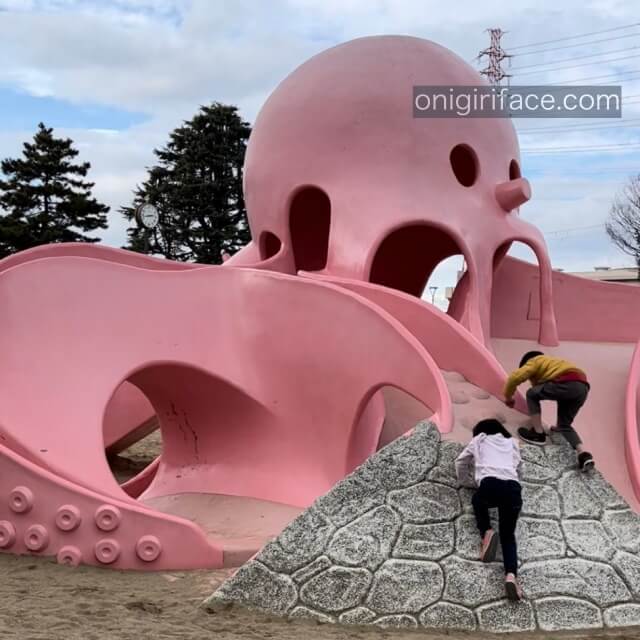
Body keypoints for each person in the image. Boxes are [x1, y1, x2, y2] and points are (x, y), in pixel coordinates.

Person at [455, 419, 524, 601]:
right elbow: (519, 468)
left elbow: (461, 462)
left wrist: (467, 482)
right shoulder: (513, 443)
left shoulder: (480, 439)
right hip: (513, 489)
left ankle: (486, 532)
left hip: (490, 484)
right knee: (508, 536)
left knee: (478, 500)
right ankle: (511, 576)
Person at [503, 350, 594, 471]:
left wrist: (508, 397)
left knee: (531, 394)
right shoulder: (554, 364)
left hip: (566, 383)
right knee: (564, 426)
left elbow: (515, 377)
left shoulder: (535, 360)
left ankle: (538, 434)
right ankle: (583, 454)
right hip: (582, 388)